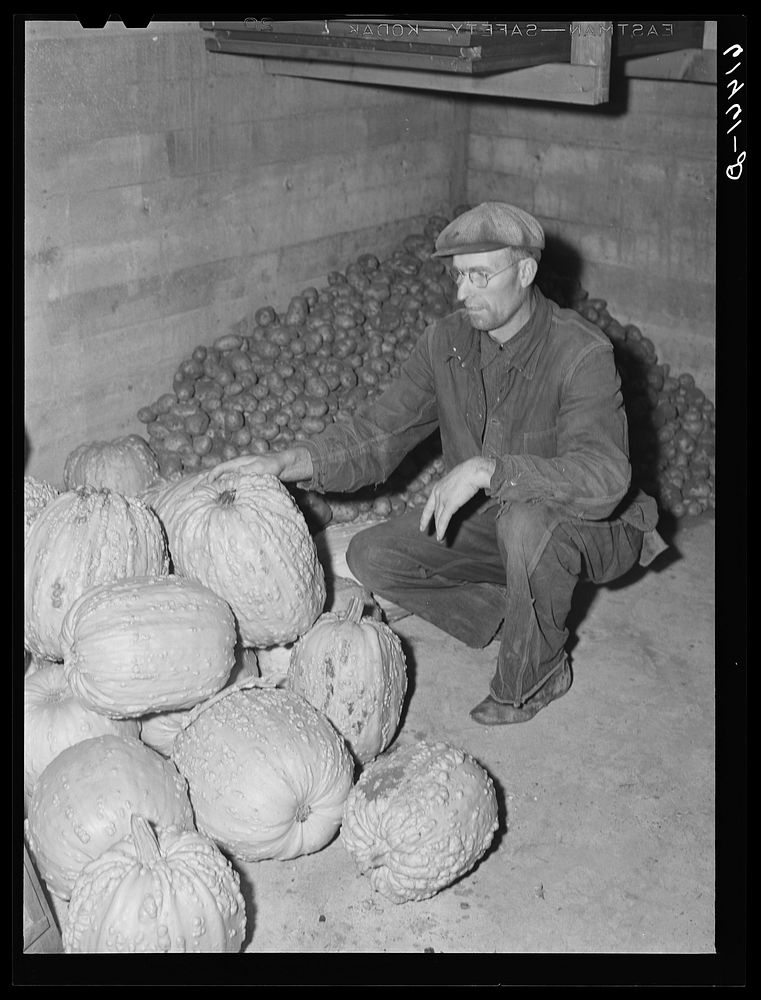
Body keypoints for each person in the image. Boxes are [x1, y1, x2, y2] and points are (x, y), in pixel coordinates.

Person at [210, 202, 667, 725]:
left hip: (595, 524)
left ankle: (539, 673)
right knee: (372, 556)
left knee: (526, 521)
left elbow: (605, 477)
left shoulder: (581, 352)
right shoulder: (447, 342)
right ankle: (513, 609)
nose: (461, 293)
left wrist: (487, 470)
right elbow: (381, 431)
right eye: (457, 276)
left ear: (525, 271)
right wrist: (285, 460)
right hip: (503, 524)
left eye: (479, 276)